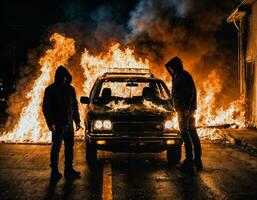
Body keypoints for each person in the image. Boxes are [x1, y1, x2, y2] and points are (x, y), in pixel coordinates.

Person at [43, 65, 81, 180]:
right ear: (58, 77)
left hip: (69, 125)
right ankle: (54, 171)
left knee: (69, 148)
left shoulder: (70, 89)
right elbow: (46, 108)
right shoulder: (51, 90)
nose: (64, 79)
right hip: (58, 125)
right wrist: (50, 123)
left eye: (66, 77)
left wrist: (77, 121)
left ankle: (68, 170)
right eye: (62, 77)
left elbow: (74, 106)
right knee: (56, 148)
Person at [165, 56, 203, 173]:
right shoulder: (176, 76)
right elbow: (166, 66)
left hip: (186, 110)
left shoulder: (184, 76)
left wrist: (186, 109)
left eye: (173, 67)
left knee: (187, 134)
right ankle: (195, 160)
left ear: (176, 67)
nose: (171, 69)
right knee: (191, 133)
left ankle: (190, 160)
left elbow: (190, 93)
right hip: (182, 110)